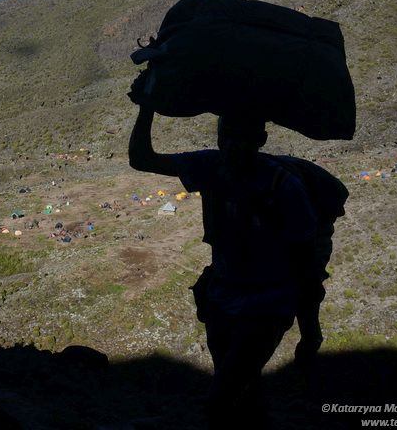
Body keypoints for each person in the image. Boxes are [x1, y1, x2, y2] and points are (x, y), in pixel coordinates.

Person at [128, 87, 321, 428]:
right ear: (218, 138)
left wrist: (310, 332)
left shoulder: (283, 186)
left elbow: (308, 263)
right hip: (221, 297)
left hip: (267, 305)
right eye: (226, 136)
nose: (233, 145)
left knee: (220, 399)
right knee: (244, 391)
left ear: (261, 139)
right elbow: (142, 159)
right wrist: (146, 107)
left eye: (242, 137)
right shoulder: (209, 166)